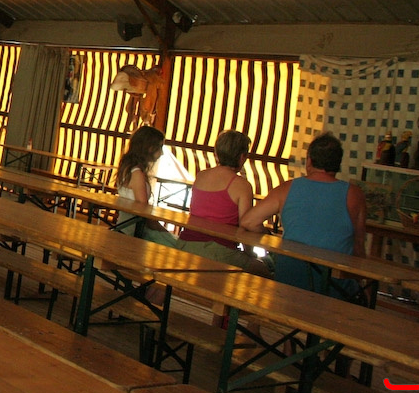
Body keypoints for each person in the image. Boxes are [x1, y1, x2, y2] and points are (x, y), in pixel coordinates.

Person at [240, 133, 367, 297]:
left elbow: (249, 222)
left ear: (309, 161)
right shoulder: (354, 195)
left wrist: (268, 235)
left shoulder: (286, 189)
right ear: (338, 163)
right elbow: (358, 246)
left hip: (288, 280)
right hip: (334, 288)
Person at [179, 130, 268, 273]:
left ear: (217, 152)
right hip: (219, 251)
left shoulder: (201, 176)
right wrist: (249, 253)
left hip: (186, 243)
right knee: (264, 272)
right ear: (242, 157)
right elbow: (245, 225)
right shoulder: (242, 185)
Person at [113, 125, 180, 247]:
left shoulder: (128, 168)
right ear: (149, 148)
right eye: (160, 147)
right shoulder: (137, 173)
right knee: (175, 247)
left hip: (124, 226)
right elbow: (143, 212)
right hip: (134, 232)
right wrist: (164, 232)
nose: (162, 153)